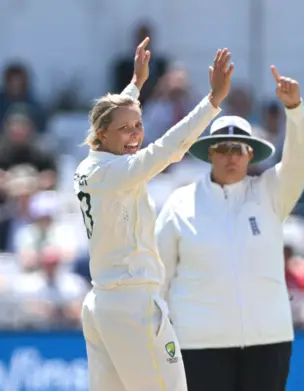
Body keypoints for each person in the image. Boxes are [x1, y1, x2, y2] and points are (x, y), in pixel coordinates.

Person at [74, 37, 234, 391]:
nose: (134, 136)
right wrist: (212, 102)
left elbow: (117, 115)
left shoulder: (91, 165)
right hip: (132, 305)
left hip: (103, 304)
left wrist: (137, 82)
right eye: (125, 129)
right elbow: (168, 149)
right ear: (101, 134)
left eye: (138, 126)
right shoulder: (116, 172)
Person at [155, 66, 304, 391]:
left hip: (268, 340)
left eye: (238, 149)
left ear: (250, 153)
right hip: (198, 344)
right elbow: (158, 279)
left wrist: (294, 111)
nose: (231, 157)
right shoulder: (179, 204)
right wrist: (159, 340)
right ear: (210, 152)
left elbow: (299, 163)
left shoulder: (270, 192)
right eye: (223, 149)